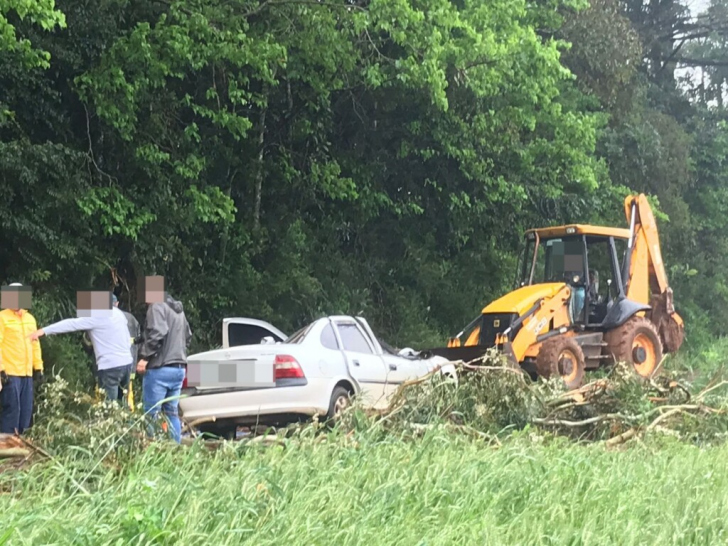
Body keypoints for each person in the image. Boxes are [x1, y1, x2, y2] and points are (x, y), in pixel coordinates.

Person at [30, 291, 133, 405]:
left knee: (109, 407)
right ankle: (127, 422)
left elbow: (71, 324)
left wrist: (44, 331)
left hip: (110, 367)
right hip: (127, 363)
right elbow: (127, 339)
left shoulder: (97, 316)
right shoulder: (118, 313)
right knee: (123, 403)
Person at [137, 289, 192, 444]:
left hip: (160, 369)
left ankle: (150, 449)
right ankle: (175, 449)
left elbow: (158, 333)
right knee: (171, 413)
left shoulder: (156, 307)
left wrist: (145, 357)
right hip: (179, 369)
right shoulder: (179, 311)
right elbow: (188, 337)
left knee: (151, 413)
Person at [0, 283, 43, 435]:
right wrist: (1, 370)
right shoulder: (2, 318)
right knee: (12, 410)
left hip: (27, 374)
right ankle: (6, 450)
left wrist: (38, 367)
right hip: (9, 373)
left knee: (26, 411)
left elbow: (35, 344)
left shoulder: (30, 319)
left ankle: (22, 448)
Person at [113, 294, 141, 404]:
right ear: (117, 304)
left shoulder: (102, 318)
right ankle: (128, 418)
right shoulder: (131, 318)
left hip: (110, 367)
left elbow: (89, 343)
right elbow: (140, 340)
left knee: (108, 397)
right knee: (127, 395)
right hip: (129, 365)